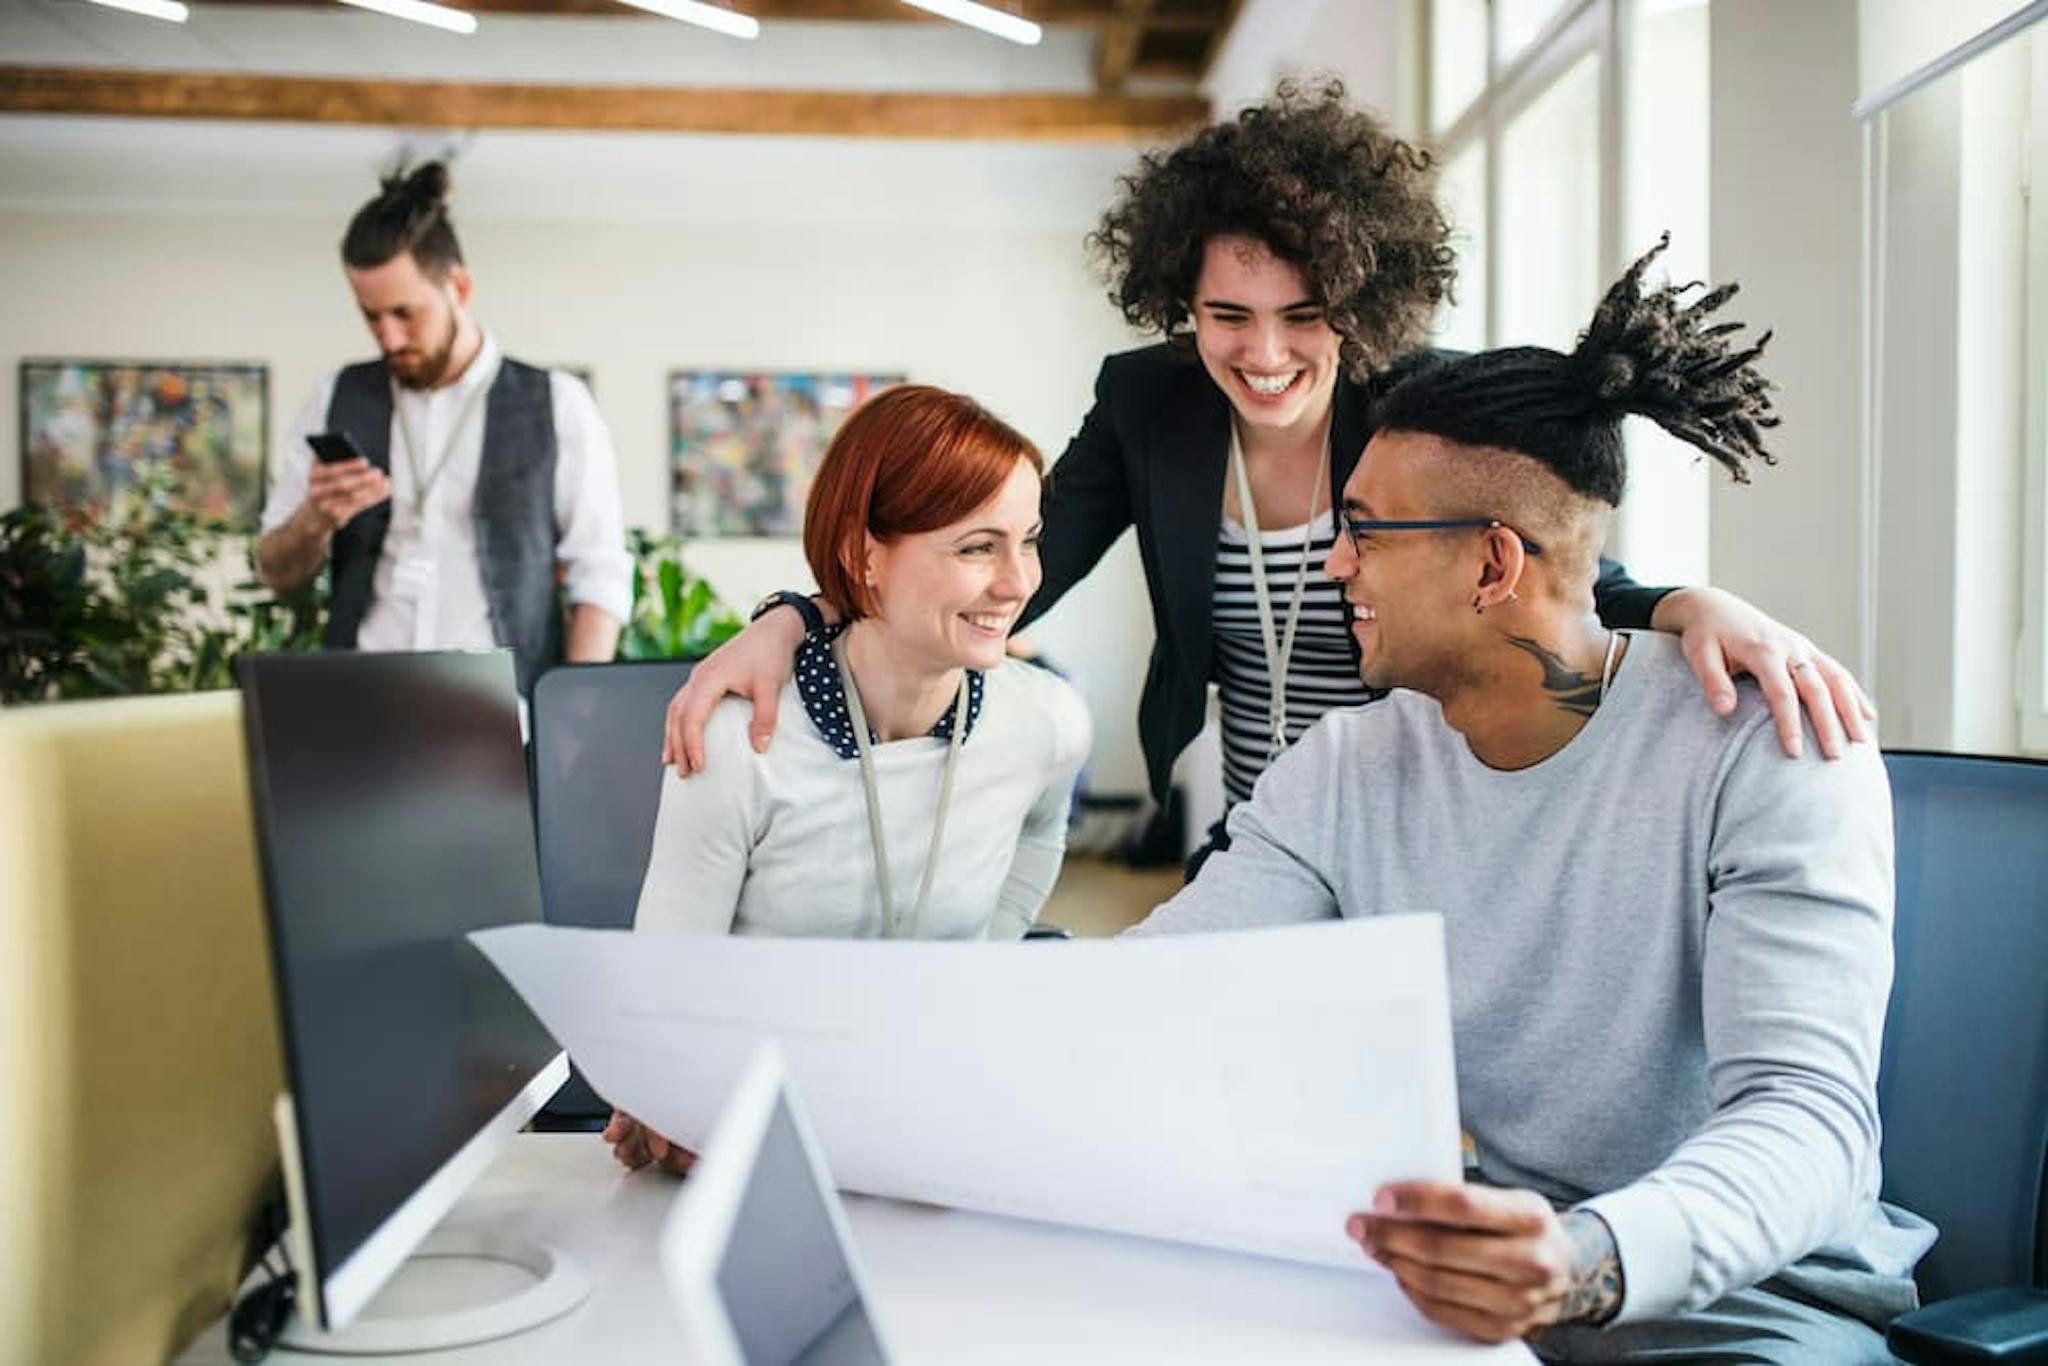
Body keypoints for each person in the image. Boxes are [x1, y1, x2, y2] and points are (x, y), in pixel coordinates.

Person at [659, 79, 1872, 864]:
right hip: (1256, 828)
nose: (1266, 352)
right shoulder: (1147, 403)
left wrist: (1686, 603)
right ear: (1175, 304)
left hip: (1423, 819)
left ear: (1358, 298)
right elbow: (998, 566)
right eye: (1224, 313)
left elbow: (1545, 562)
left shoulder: (1417, 408)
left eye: (1303, 312)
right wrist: (798, 617)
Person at [1127, 240, 1933, 1361]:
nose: (1333, 568)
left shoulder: (1771, 747)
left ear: (1493, 565)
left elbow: (1809, 1127)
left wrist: (1580, 1261)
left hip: (1749, 1301)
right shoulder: (1347, 769)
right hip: (1478, 1279)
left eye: (1361, 533)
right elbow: (1150, 996)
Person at [607, 384, 1092, 1175]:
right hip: (762, 1134)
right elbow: (667, 989)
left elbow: (1042, 831)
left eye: (1027, 540)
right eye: (977, 547)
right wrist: (669, 1096)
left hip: (934, 1127)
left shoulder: (1046, 724)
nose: (1018, 582)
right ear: (866, 553)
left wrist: (981, 960)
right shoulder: (740, 742)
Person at [257, 163, 631, 696]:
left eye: (405, 313)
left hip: (503, 718)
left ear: (459, 286)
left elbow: (600, 579)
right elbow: (276, 570)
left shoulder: (559, 404)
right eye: (371, 316)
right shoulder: (334, 396)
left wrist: (573, 720)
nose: (388, 337)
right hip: (356, 710)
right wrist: (314, 520)